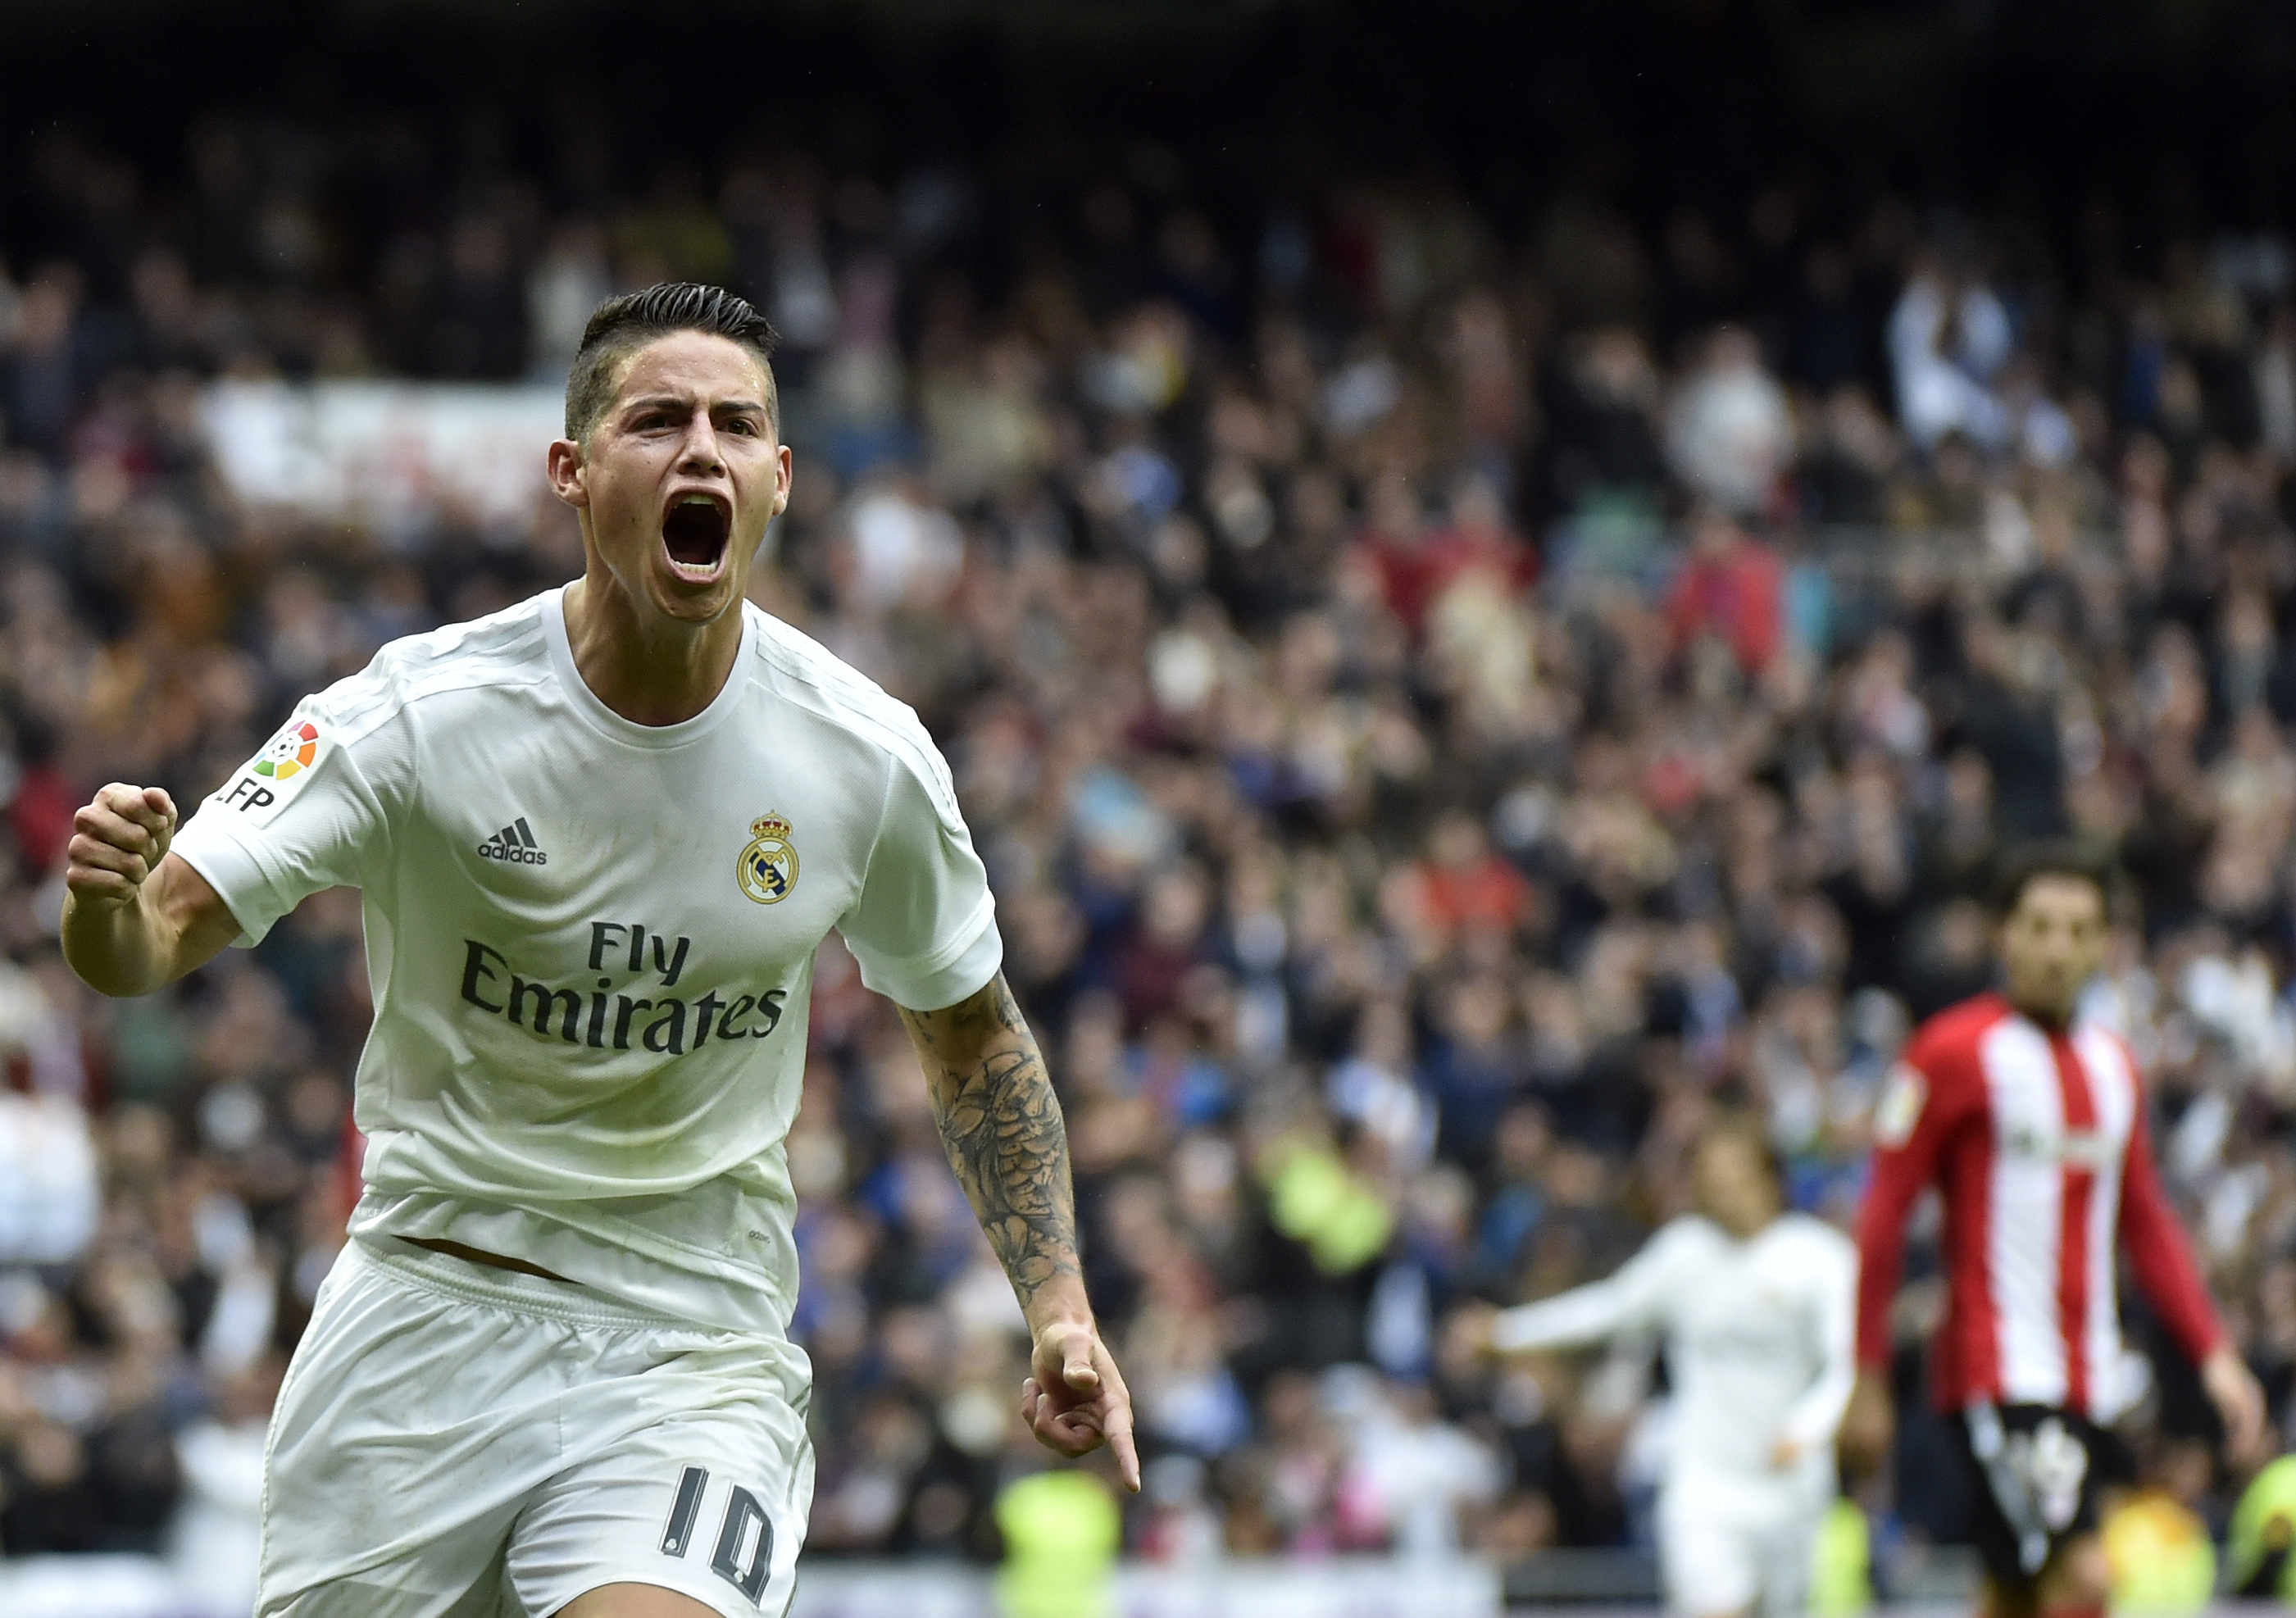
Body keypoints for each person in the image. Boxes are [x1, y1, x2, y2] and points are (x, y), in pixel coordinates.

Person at [58, 282, 1139, 1618]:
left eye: (737, 425)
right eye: (658, 420)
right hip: (423, 1327)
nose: (703, 450)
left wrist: (1059, 1301)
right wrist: (107, 902)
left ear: (781, 477)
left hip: (690, 1351)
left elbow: (972, 1031)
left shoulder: (862, 755)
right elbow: (146, 940)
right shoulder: (416, 714)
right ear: (571, 470)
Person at [1844, 846, 2266, 1618]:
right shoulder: (1949, 1054)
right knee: (2083, 1581)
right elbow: (1881, 1218)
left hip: (2088, 1376)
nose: (2056, 949)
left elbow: (2144, 1220)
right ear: (2004, 935)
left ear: (2104, 942)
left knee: (2017, 1594)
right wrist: (1866, 1372)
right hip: (1997, 1370)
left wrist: (2215, 1354)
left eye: (2077, 931)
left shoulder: (2114, 1067)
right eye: (2039, 926)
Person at [1469, 1116, 1857, 1618]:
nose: (1721, 1185)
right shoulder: (1685, 1254)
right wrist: (1508, 1333)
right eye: (1710, 1171)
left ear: (1768, 1176)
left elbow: (1846, 1362)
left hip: (1791, 1487)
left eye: (1733, 1170)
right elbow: (1607, 1308)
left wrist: (1809, 1427)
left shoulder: (1819, 1258)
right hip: (1704, 1483)